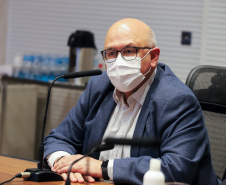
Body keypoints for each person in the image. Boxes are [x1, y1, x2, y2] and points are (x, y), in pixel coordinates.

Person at [44, 18, 219, 185]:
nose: (119, 61)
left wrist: (102, 168)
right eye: (111, 53)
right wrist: (63, 163)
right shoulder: (98, 86)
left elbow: (176, 169)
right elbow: (59, 138)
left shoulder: (176, 100)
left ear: (153, 57)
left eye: (129, 51)